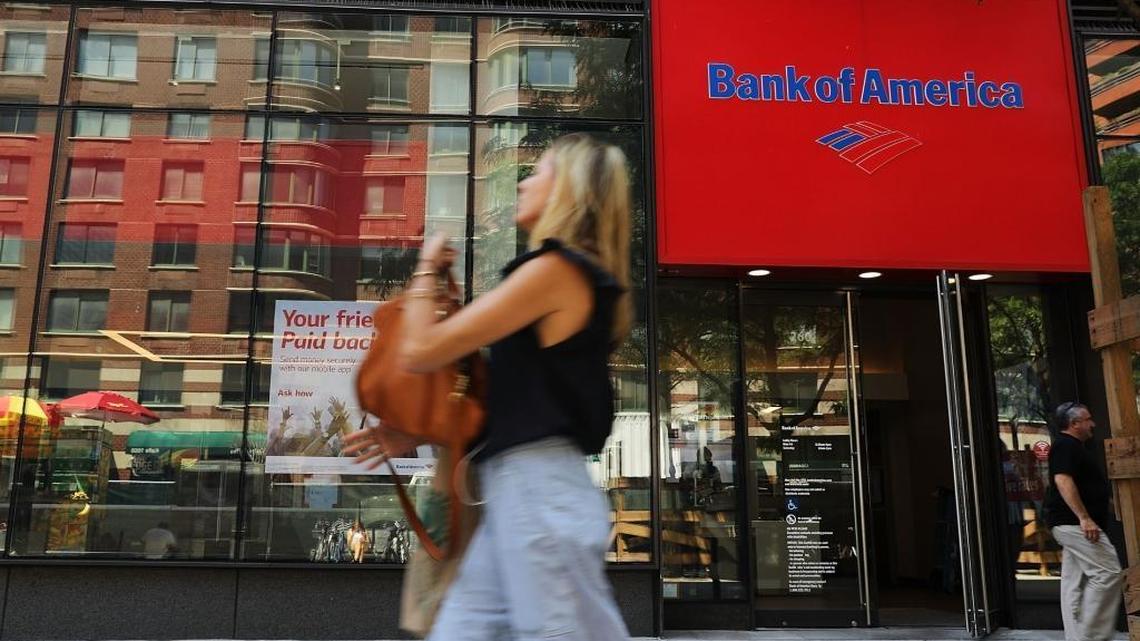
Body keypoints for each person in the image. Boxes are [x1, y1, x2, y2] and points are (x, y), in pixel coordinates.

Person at [347, 133, 632, 640]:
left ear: (569, 190)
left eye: (538, 172)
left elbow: (420, 350)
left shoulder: (556, 270)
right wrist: (417, 432)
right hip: (521, 491)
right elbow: (520, 399)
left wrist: (426, 271)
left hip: (539, 494)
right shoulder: (568, 275)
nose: (524, 183)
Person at [1044, 401, 1123, 641]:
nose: (1093, 424)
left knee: (1073, 582)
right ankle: (1093, 636)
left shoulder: (1073, 447)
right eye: (1088, 419)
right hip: (1075, 525)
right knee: (1108, 571)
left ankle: (1077, 637)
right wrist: (1084, 518)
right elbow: (1062, 480)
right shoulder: (1065, 445)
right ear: (1074, 423)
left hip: (1073, 525)